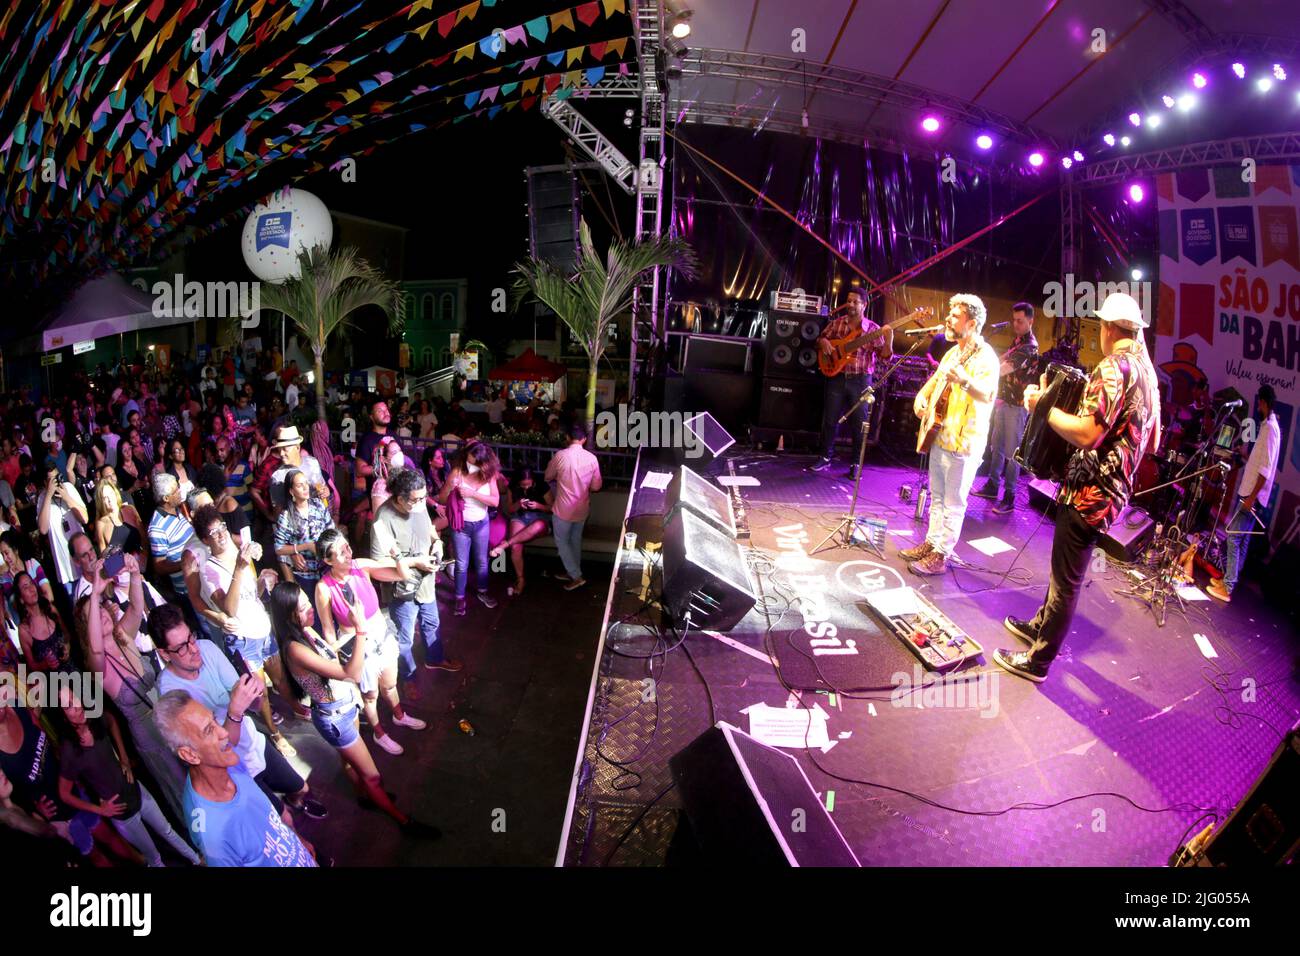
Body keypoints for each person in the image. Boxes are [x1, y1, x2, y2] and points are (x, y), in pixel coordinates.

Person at [996, 292, 1160, 682]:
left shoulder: (1114, 366)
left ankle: (1039, 660)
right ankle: (1040, 625)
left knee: (1066, 580)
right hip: (1111, 492)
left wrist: (1044, 407)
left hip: (1090, 492)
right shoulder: (1148, 374)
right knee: (1062, 572)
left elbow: (1087, 434)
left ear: (1106, 328)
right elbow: (1152, 443)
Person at [270, 583, 440, 838]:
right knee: (373, 777)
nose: (310, 610)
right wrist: (360, 630)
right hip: (336, 718)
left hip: (345, 709)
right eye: (303, 608)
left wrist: (351, 630)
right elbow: (351, 673)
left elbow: (332, 653)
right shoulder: (295, 648)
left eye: (307, 602)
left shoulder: (306, 633)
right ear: (289, 615)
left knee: (349, 763)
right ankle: (403, 822)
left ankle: (365, 797)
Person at [153, 603, 326, 818]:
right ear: (164, 654)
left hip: (252, 741)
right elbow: (219, 747)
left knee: (301, 788)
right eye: (182, 647)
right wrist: (235, 710)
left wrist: (255, 694)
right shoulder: (170, 691)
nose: (193, 649)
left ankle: (294, 801)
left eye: (191, 638)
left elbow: (250, 705)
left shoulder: (206, 648)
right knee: (282, 820)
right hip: (234, 770)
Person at [152, 690, 316, 867]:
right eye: (208, 731)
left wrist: (297, 841)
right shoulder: (213, 835)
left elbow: (270, 822)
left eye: (214, 720)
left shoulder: (229, 762)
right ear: (190, 755)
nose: (223, 732)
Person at [898, 294, 999, 576]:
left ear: (972, 322)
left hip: (964, 440)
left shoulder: (985, 356)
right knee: (938, 496)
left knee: (954, 501)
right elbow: (935, 380)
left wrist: (964, 380)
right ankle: (931, 543)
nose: (948, 319)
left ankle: (942, 555)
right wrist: (922, 396)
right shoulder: (952, 353)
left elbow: (988, 394)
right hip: (941, 434)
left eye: (955, 316)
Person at [190, 504, 308, 744]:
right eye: (215, 532)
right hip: (243, 639)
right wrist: (239, 568)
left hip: (262, 629)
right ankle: (275, 733)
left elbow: (250, 593)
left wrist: (263, 581)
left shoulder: (237, 551)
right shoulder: (209, 570)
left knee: (280, 678)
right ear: (205, 539)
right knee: (259, 692)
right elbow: (229, 608)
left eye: (222, 527)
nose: (222, 534)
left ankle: (296, 707)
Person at [54, 684, 202, 867]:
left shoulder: (94, 717)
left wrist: (123, 757)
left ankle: (197, 861)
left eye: (75, 697)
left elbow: (113, 722)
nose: (77, 705)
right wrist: (99, 810)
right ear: (62, 716)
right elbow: (64, 794)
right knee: (154, 858)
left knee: (169, 831)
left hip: (136, 790)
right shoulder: (70, 751)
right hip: (122, 813)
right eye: (68, 705)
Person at [315, 528, 426, 755]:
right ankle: (379, 733)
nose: (348, 552)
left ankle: (399, 716)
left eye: (347, 546)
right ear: (328, 560)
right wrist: (336, 666)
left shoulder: (360, 566)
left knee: (390, 684)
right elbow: (328, 629)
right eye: (341, 551)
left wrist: (397, 555)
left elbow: (401, 574)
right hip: (357, 644)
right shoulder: (324, 588)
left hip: (381, 635)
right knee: (370, 695)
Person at [371, 467, 461, 697]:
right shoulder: (383, 519)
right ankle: (407, 677)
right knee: (405, 637)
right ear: (400, 498)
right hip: (401, 588)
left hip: (426, 581)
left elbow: (429, 528)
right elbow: (378, 565)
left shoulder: (419, 505)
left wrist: (437, 543)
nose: (423, 502)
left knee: (432, 623)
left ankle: (435, 658)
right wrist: (415, 562)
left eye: (423, 497)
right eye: (417, 499)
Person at [1208, 384, 1281, 603]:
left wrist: (1251, 498)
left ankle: (1228, 587)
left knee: (1232, 537)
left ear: (1264, 403)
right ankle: (1229, 581)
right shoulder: (1268, 426)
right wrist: (1246, 455)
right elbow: (1259, 464)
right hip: (1250, 492)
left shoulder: (1270, 429)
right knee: (1241, 541)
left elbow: (1266, 471)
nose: (1257, 406)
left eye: (1259, 402)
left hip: (1252, 495)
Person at [813, 290, 894, 477]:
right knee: (830, 420)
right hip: (837, 377)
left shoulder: (873, 329)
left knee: (859, 424)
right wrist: (823, 342)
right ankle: (825, 457)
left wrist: (889, 339)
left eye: (855, 302)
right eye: (848, 301)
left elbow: (884, 358)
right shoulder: (837, 323)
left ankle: (856, 464)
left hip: (860, 380)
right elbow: (820, 340)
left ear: (864, 305)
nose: (850, 305)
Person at [974, 302, 1039, 514]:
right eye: (1014, 320)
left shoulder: (1029, 347)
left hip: (1017, 407)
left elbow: (1003, 368)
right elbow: (1001, 360)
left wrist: (978, 374)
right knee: (996, 446)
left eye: (1020, 321)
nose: (1015, 324)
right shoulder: (1018, 342)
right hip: (1004, 402)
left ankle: (1009, 496)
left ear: (1031, 321)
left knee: (1012, 453)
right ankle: (993, 486)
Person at [439, 441, 502, 614]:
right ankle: (459, 598)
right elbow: (442, 499)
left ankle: (482, 592)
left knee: (482, 561)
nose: (471, 466)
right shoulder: (457, 472)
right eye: (469, 461)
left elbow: (495, 501)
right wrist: (451, 487)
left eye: (475, 463)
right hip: (461, 525)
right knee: (461, 564)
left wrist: (472, 493)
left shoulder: (489, 475)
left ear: (483, 462)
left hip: (482, 523)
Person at [544, 424, 602, 592]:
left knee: (562, 542)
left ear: (568, 438)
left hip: (563, 509)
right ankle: (573, 572)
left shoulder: (560, 456)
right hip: (582, 509)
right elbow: (596, 486)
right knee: (574, 541)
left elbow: (548, 476)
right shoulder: (592, 458)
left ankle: (576, 576)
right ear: (584, 439)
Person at [491, 468, 553, 596]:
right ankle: (521, 579)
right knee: (516, 546)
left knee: (537, 526)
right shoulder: (512, 487)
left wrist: (538, 506)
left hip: (540, 518)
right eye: (523, 484)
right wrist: (518, 504)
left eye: (529, 484)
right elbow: (510, 510)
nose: (526, 487)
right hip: (520, 517)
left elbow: (552, 508)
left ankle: (505, 544)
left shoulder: (542, 485)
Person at [274, 469, 334, 597]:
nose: (305, 487)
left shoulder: (318, 505)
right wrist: (304, 546)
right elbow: (279, 548)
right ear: (291, 491)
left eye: (306, 483)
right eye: (299, 485)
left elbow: (330, 529)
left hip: (326, 568)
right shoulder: (286, 516)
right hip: (305, 574)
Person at [37, 459, 89, 597]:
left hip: (85, 559)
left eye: (56, 477)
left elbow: (85, 519)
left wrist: (67, 497)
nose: (55, 483)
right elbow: (43, 529)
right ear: (45, 483)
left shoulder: (69, 488)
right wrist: (48, 494)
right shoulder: (42, 499)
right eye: (51, 480)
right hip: (65, 567)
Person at [14, 571, 74, 674]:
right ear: (21, 599)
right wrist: (44, 664)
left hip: (73, 671)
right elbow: (31, 665)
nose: (31, 588)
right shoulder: (24, 629)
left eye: (31, 583)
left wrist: (67, 646)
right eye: (25, 587)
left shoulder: (50, 609)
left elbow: (66, 634)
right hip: (54, 684)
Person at [147, 472, 194, 598]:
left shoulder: (178, 510)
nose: (180, 491)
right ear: (166, 498)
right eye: (176, 490)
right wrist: (184, 564)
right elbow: (159, 566)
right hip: (188, 589)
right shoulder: (157, 529)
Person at [93, 480, 148, 561]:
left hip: (143, 564)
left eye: (111, 494)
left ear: (115, 493)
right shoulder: (101, 523)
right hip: (122, 571)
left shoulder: (129, 509)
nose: (109, 499)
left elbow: (144, 538)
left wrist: (143, 559)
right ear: (101, 502)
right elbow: (103, 557)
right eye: (105, 497)